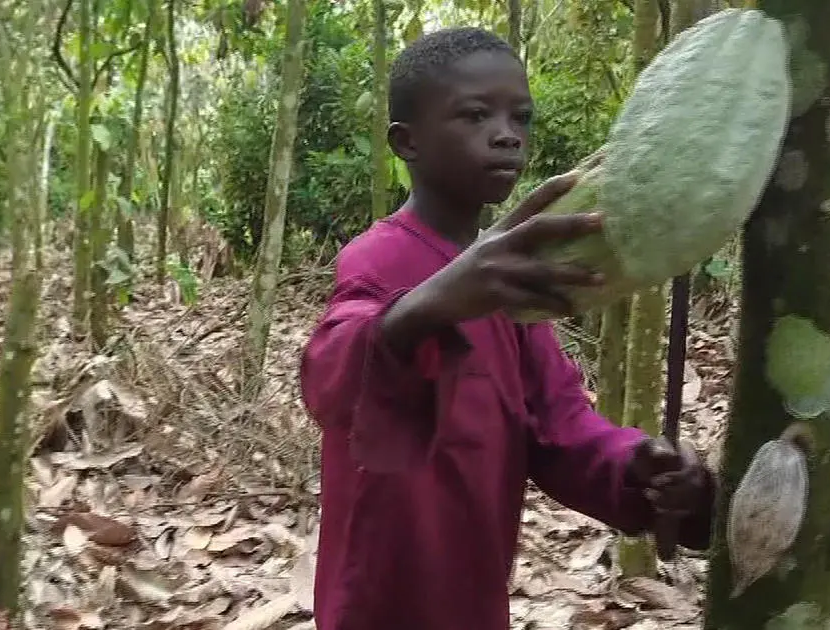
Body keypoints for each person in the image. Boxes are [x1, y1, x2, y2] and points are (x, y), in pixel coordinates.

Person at [299, 26, 717, 630]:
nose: (506, 134)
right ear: (406, 142)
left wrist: (642, 470)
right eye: (474, 115)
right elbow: (331, 376)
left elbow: (560, 426)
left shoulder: (509, 277)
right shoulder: (380, 257)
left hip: (474, 589)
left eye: (519, 117)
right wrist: (433, 303)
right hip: (379, 595)